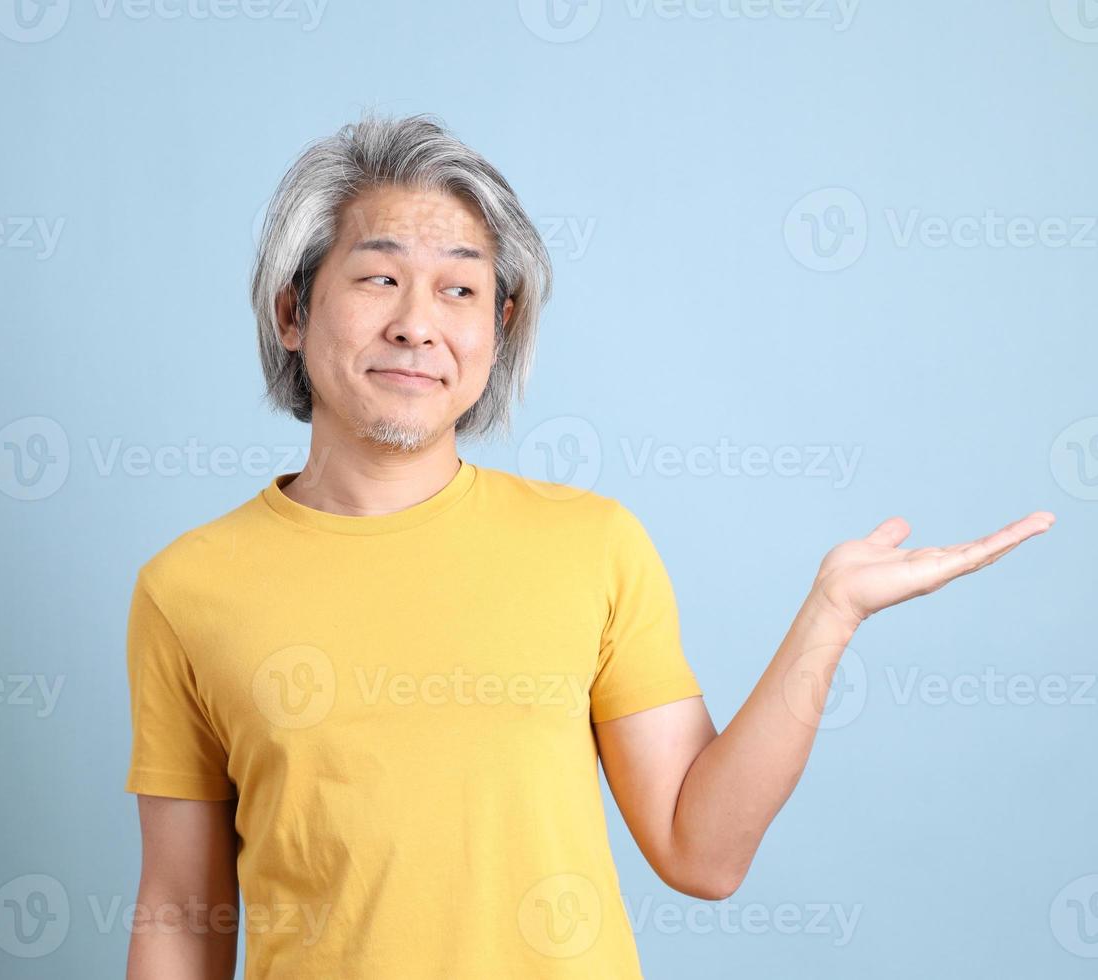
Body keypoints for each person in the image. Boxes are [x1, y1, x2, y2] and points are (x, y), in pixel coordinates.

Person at [121, 110, 1054, 979]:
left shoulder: (592, 545)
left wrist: (830, 617)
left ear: (499, 327)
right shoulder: (189, 588)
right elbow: (179, 907)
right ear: (292, 312)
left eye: (460, 287)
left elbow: (704, 853)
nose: (417, 322)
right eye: (378, 277)